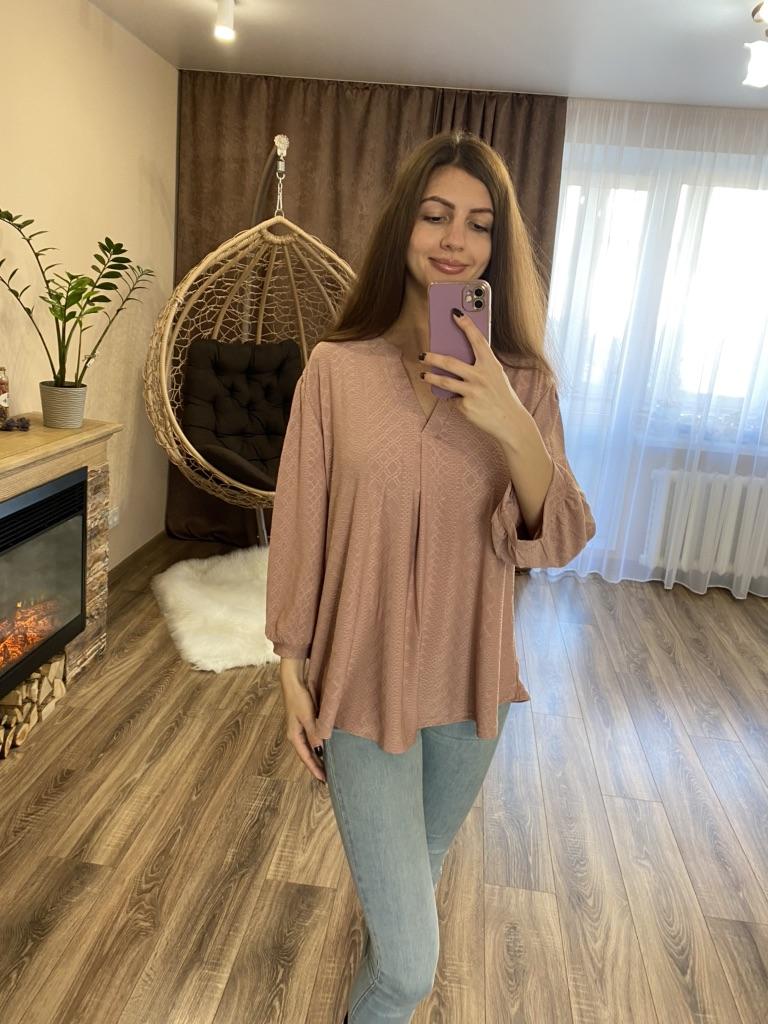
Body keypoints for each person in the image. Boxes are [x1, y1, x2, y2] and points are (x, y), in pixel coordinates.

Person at [265, 130, 596, 1023]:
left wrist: (509, 418)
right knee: (411, 969)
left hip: (470, 689)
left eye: (480, 225)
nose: (455, 240)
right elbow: (300, 524)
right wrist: (290, 669)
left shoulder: (524, 383)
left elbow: (558, 537)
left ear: (497, 247)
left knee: (418, 872)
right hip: (362, 686)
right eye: (436, 215)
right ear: (403, 227)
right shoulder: (336, 372)